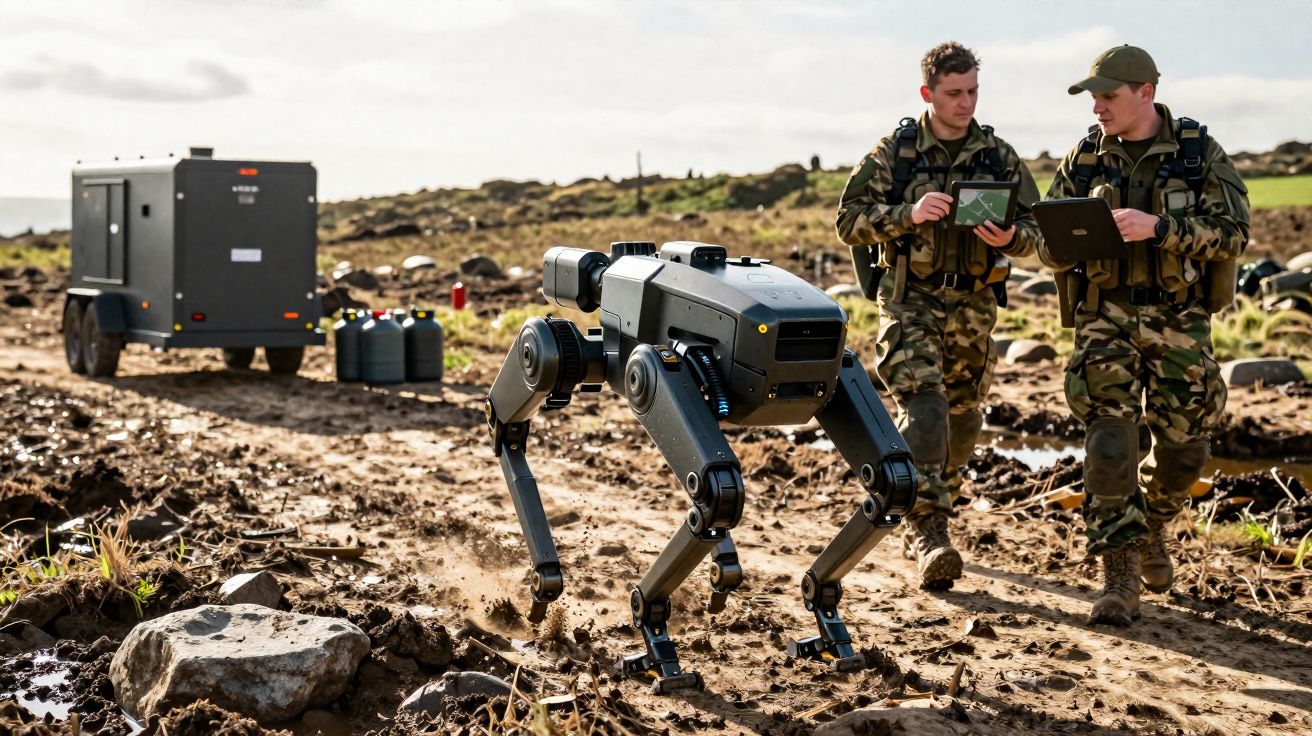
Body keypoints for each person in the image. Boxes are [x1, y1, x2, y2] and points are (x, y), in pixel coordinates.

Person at [1039, 45, 1249, 625]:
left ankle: (1151, 525)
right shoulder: (1083, 157)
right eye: (1093, 97)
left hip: (1179, 319)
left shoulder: (1198, 152)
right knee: (1111, 442)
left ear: (1145, 93)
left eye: (1108, 96)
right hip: (1104, 313)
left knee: (1186, 451)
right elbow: (1049, 233)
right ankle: (1120, 576)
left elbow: (1233, 232)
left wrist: (1161, 229)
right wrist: (1035, 242)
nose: (1098, 107)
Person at [836, 42, 1040, 589]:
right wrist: (907, 214)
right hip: (911, 301)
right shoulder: (896, 152)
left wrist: (1014, 236)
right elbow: (848, 221)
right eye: (954, 93)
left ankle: (925, 502)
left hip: (974, 306)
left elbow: (1039, 230)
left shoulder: (998, 155)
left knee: (964, 422)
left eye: (973, 91)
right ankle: (928, 529)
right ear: (928, 93)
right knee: (926, 414)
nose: (966, 102)